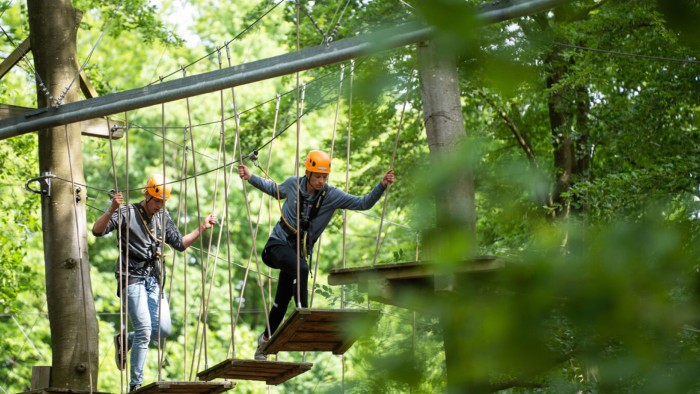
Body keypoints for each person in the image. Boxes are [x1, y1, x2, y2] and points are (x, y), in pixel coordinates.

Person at [238, 150, 395, 360]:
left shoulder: (331, 196)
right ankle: (303, 312)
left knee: (281, 302)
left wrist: (381, 186)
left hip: (297, 254)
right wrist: (251, 178)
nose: (321, 181)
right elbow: (274, 190)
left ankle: (264, 341)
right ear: (308, 173)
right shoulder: (293, 184)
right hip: (277, 245)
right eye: (318, 176)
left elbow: (363, 203)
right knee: (301, 268)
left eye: (325, 177)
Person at [92, 174, 217, 392]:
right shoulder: (127, 212)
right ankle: (135, 385)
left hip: (153, 278)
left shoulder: (162, 216)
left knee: (163, 329)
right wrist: (112, 209)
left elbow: (179, 244)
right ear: (147, 195)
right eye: (157, 201)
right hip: (131, 277)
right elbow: (97, 231)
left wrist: (202, 227)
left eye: (163, 202)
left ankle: (125, 340)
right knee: (145, 329)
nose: (160, 206)